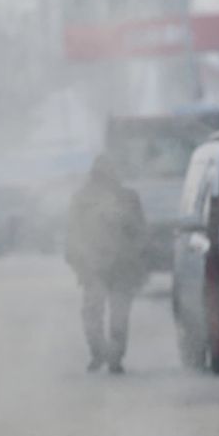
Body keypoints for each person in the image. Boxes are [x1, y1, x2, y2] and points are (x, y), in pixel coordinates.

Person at [65, 153, 148, 374]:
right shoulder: (82, 199)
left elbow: (140, 232)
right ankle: (100, 352)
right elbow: (72, 233)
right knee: (93, 314)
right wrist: (78, 260)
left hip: (122, 266)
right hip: (93, 266)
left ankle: (114, 356)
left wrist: (136, 256)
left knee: (118, 316)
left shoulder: (128, 199)